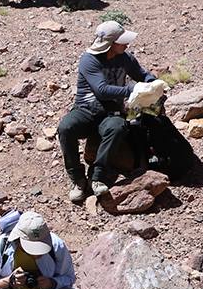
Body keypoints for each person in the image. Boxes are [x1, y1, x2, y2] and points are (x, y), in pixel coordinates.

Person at [57, 21, 157, 202]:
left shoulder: (125, 58)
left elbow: (141, 74)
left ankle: (97, 176)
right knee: (66, 128)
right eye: (122, 41)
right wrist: (133, 90)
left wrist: (152, 82)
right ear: (110, 44)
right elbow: (101, 89)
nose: (127, 44)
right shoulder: (89, 60)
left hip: (111, 112)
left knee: (117, 128)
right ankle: (78, 179)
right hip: (85, 110)